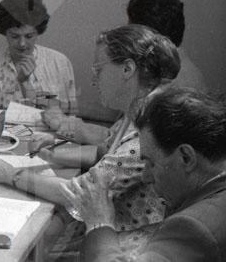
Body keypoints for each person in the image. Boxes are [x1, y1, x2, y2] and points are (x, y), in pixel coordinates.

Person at [0, 24, 180, 257]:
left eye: (99, 69)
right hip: (113, 229)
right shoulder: (140, 109)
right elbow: (106, 151)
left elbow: (83, 192)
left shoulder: (146, 130)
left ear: (127, 69)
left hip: (125, 246)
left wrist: (11, 175)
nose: (94, 79)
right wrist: (55, 154)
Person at [63, 87, 226, 261]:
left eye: (151, 163)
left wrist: (99, 223)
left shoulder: (195, 227)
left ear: (186, 157)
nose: (146, 177)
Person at [0, 0, 78, 113]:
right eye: (14, 36)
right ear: (5, 33)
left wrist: (26, 83)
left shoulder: (59, 62)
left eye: (29, 36)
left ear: (38, 32)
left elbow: (70, 112)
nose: (22, 44)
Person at [127, 0, 208, 92]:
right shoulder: (180, 69)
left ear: (148, 36)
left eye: (132, 31)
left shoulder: (168, 82)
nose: (128, 37)